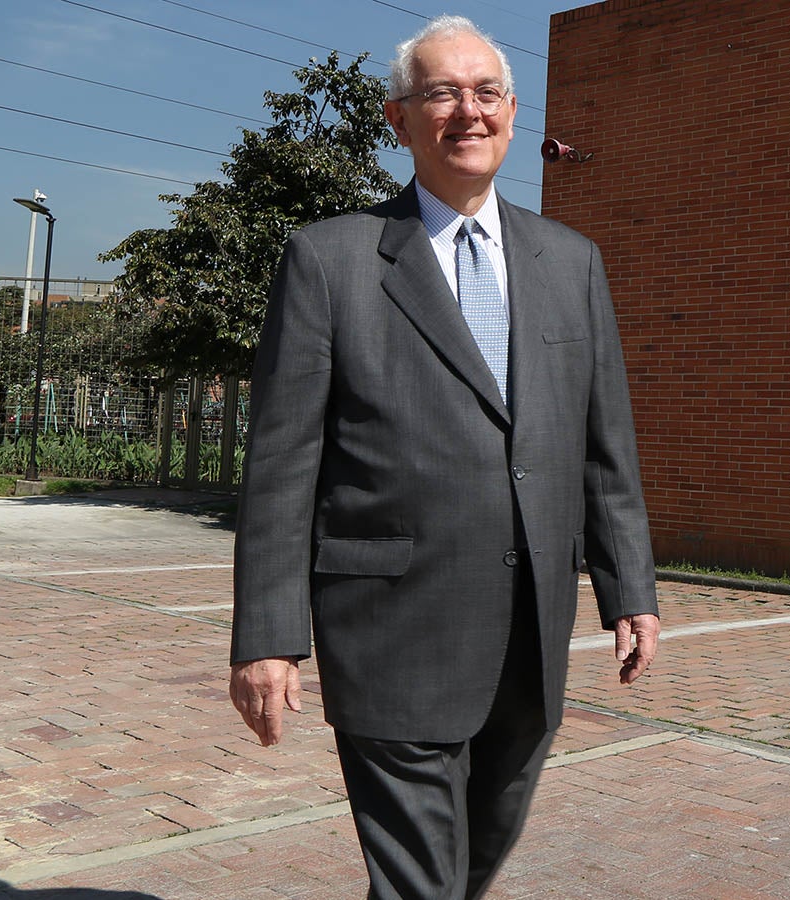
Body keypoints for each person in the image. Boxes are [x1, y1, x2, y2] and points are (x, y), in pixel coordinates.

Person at [229, 15, 660, 899]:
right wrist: (268, 636)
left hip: (529, 636)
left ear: (513, 112)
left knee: (468, 865)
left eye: (487, 91)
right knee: (422, 882)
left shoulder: (570, 261)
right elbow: (282, 464)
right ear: (399, 119)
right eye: (442, 93)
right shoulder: (330, 259)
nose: (470, 111)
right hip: (389, 630)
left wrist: (630, 587)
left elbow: (602, 444)